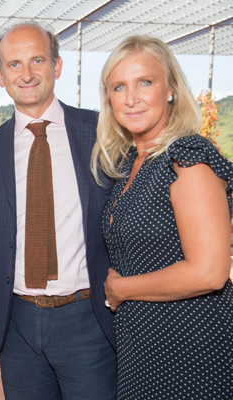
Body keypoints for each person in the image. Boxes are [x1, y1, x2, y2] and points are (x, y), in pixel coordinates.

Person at [0, 21, 117, 399]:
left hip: (89, 320)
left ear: (57, 66)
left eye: (37, 59)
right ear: (0, 76)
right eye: (14, 64)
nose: (28, 73)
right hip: (15, 325)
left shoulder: (103, 133)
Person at [92, 35, 233, 399]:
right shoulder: (129, 163)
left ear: (170, 88)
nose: (131, 97)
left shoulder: (186, 157)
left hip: (190, 347)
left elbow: (209, 272)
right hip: (143, 347)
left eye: (145, 82)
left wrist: (120, 288)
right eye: (119, 87)